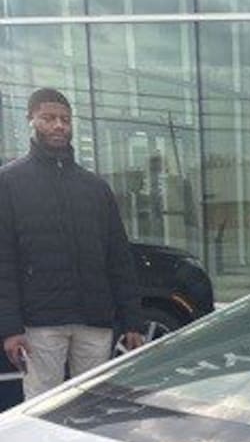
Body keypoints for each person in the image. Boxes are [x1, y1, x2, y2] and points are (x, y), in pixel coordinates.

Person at [0, 88, 144, 400]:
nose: (58, 125)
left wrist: (133, 320)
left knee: (94, 402)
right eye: (48, 118)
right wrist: (10, 329)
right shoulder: (9, 183)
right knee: (43, 404)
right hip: (40, 323)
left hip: (94, 320)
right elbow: (4, 261)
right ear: (31, 120)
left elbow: (119, 257)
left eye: (65, 119)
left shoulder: (95, 188)